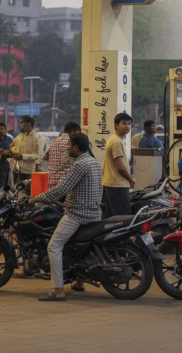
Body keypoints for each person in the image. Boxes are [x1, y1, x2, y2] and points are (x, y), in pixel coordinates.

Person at [28, 133, 103, 300]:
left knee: (53, 247)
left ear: (76, 147)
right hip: (95, 213)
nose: (67, 148)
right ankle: (79, 282)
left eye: (69, 145)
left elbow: (61, 189)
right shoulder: (94, 162)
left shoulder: (79, 164)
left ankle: (58, 290)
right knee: (77, 247)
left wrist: (36, 199)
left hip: (78, 214)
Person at [103, 113, 135, 217]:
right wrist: (131, 179)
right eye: (124, 123)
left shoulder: (114, 139)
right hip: (118, 186)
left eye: (129, 124)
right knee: (123, 218)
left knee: (112, 218)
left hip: (111, 184)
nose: (127, 126)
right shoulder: (117, 142)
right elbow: (121, 168)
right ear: (116, 125)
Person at [9, 116, 46, 182]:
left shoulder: (39, 138)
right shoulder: (19, 137)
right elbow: (13, 148)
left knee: (27, 188)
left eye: (22, 123)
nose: (20, 126)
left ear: (28, 124)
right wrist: (9, 151)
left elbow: (39, 155)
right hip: (16, 170)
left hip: (29, 171)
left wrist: (22, 156)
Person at [48, 122, 80, 189]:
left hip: (51, 181)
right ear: (74, 132)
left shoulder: (53, 141)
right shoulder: (71, 143)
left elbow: (47, 156)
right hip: (65, 184)